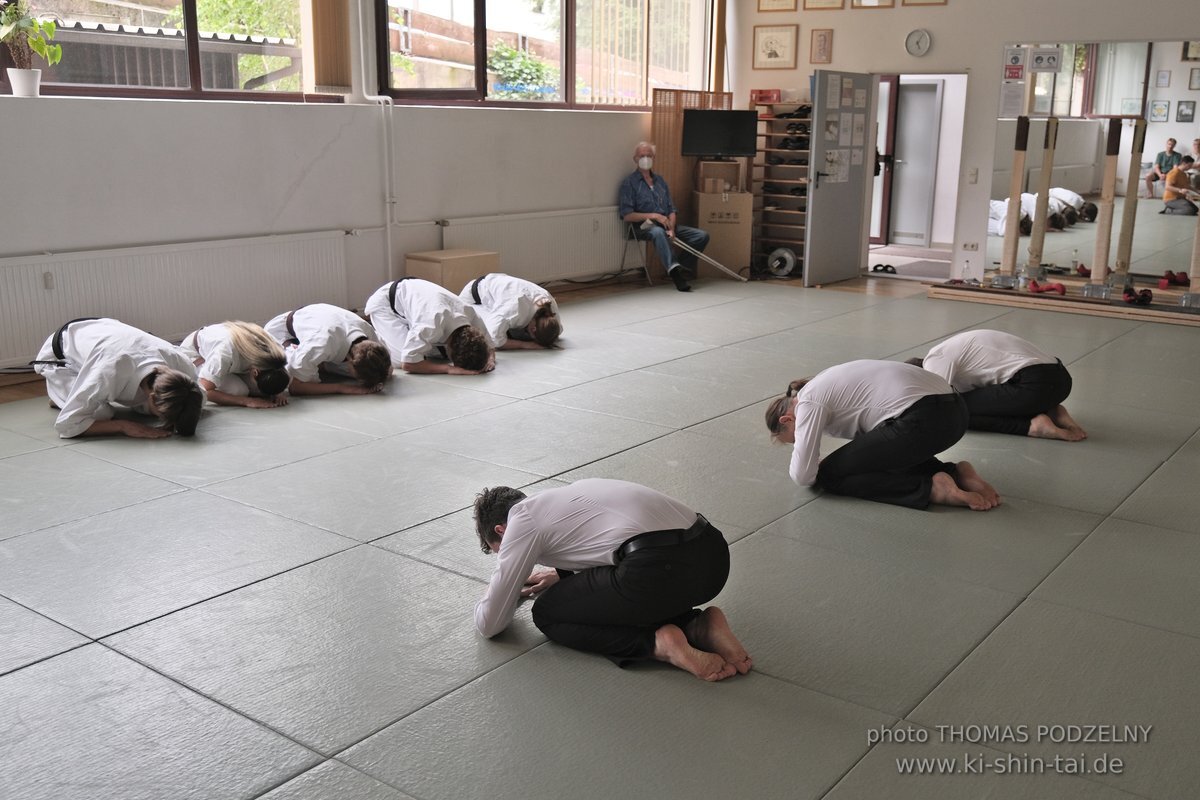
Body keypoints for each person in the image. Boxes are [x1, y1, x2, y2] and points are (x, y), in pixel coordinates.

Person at [472, 478, 752, 681]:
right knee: (633, 584)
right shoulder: (573, 491)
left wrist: (496, 589)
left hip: (659, 571)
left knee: (547, 613)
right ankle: (698, 625)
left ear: (501, 529)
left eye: (501, 550)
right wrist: (560, 574)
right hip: (713, 560)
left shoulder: (522, 520)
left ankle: (658, 645)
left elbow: (490, 624)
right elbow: (605, 542)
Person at [764, 360, 1000, 511]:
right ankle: (954, 473)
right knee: (872, 458)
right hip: (956, 413)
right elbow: (882, 448)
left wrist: (816, 464)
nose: (802, 440)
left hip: (925, 419)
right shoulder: (825, 380)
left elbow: (803, 475)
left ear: (787, 419)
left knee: (829, 476)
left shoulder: (808, 401)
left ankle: (931, 488)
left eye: (795, 439)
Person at [32, 317, 204, 439]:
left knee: (179, 405)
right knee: (102, 414)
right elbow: (67, 425)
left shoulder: (181, 365)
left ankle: (75, 397)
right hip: (61, 355)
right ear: (152, 397)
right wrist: (124, 426)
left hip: (104, 332)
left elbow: (201, 396)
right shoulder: (110, 371)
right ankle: (58, 394)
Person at [908, 330, 1086, 442]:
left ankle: (1032, 426)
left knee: (957, 412)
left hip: (1034, 384)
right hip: (1061, 380)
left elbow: (934, 408)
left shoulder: (935, 359)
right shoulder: (953, 353)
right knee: (968, 402)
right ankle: (1051, 411)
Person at [618, 141, 711, 293]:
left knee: (701, 236)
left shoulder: (660, 181)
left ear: (654, 157)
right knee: (657, 232)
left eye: (649, 155)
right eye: (642, 156)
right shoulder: (629, 183)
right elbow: (627, 215)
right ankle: (676, 275)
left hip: (666, 224)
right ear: (635, 158)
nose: (645, 158)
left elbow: (671, 209)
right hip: (642, 226)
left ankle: (680, 266)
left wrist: (672, 228)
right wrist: (654, 215)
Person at [364, 277, 495, 374]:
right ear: (450, 350)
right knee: (399, 360)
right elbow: (408, 364)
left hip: (412, 297)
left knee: (422, 349)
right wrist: (449, 369)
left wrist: (490, 359)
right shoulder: (430, 324)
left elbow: (489, 345)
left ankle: (412, 336)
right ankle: (371, 337)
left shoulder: (470, 315)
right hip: (384, 305)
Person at [264, 303, 391, 395]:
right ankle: (316, 363)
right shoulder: (321, 343)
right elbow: (296, 387)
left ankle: (321, 365)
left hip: (317, 325)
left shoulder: (368, 333)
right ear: (351, 362)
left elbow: (386, 369)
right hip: (282, 333)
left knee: (385, 373)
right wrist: (343, 388)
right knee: (295, 377)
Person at [180, 321, 290, 408]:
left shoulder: (276, 351)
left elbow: (278, 371)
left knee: (263, 388)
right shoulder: (225, 352)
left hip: (234, 362)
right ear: (255, 372)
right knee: (238, 391)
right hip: (197, 357)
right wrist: (247, 401)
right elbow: (205, 390)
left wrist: (277, 392)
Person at [459, 273, 562, 350]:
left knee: (515, 331)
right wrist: (525, 345)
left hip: (495, 285)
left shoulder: (550, 308)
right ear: (533, 329)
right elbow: (495, 339)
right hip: (474, 299)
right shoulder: (514, 310)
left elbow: (558, 331)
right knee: (481, 339)